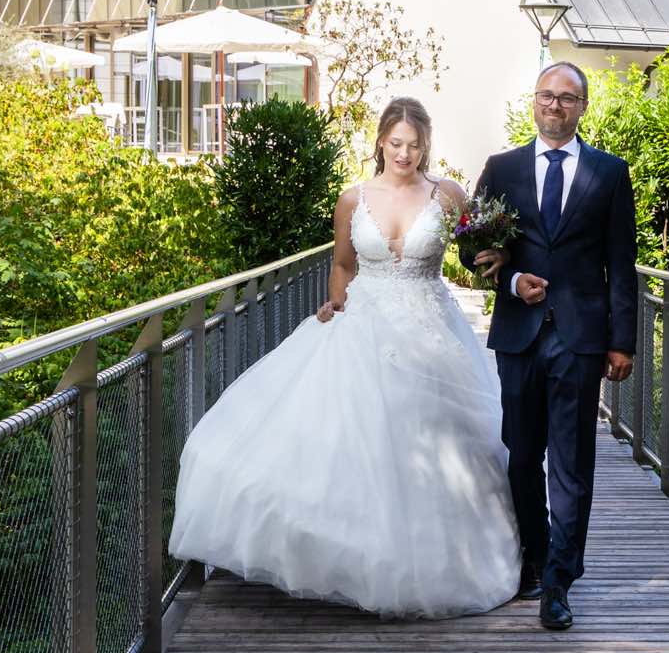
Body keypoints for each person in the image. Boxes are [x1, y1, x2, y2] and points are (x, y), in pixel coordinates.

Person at [167, 97, 520, 617]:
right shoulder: (352, 199)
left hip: (431, 329)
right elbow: (342, 264)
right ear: (380, 141)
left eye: (415, 145)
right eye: (396, 143)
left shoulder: (446, 194)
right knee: (358, 447)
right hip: (365, 327)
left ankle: (444, 561)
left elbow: (474, 250)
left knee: (445, 444)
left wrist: (498, 256)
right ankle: (359, 559)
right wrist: (336, 302)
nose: (405, 153)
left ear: (426, 146)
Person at [469, 63, 637, 631]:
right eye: (547, 96)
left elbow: (622, 264)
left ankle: (560, 582)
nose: (556, 106)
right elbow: (475, 247)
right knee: (521, 456)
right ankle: (535, 558)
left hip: (581, 338)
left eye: (567, 98)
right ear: (534, 102)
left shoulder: (610, 174)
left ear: (583, 107)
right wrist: (512, 280)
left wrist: (623, 341)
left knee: (571, 464)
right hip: (519, 333)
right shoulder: (502, 168)